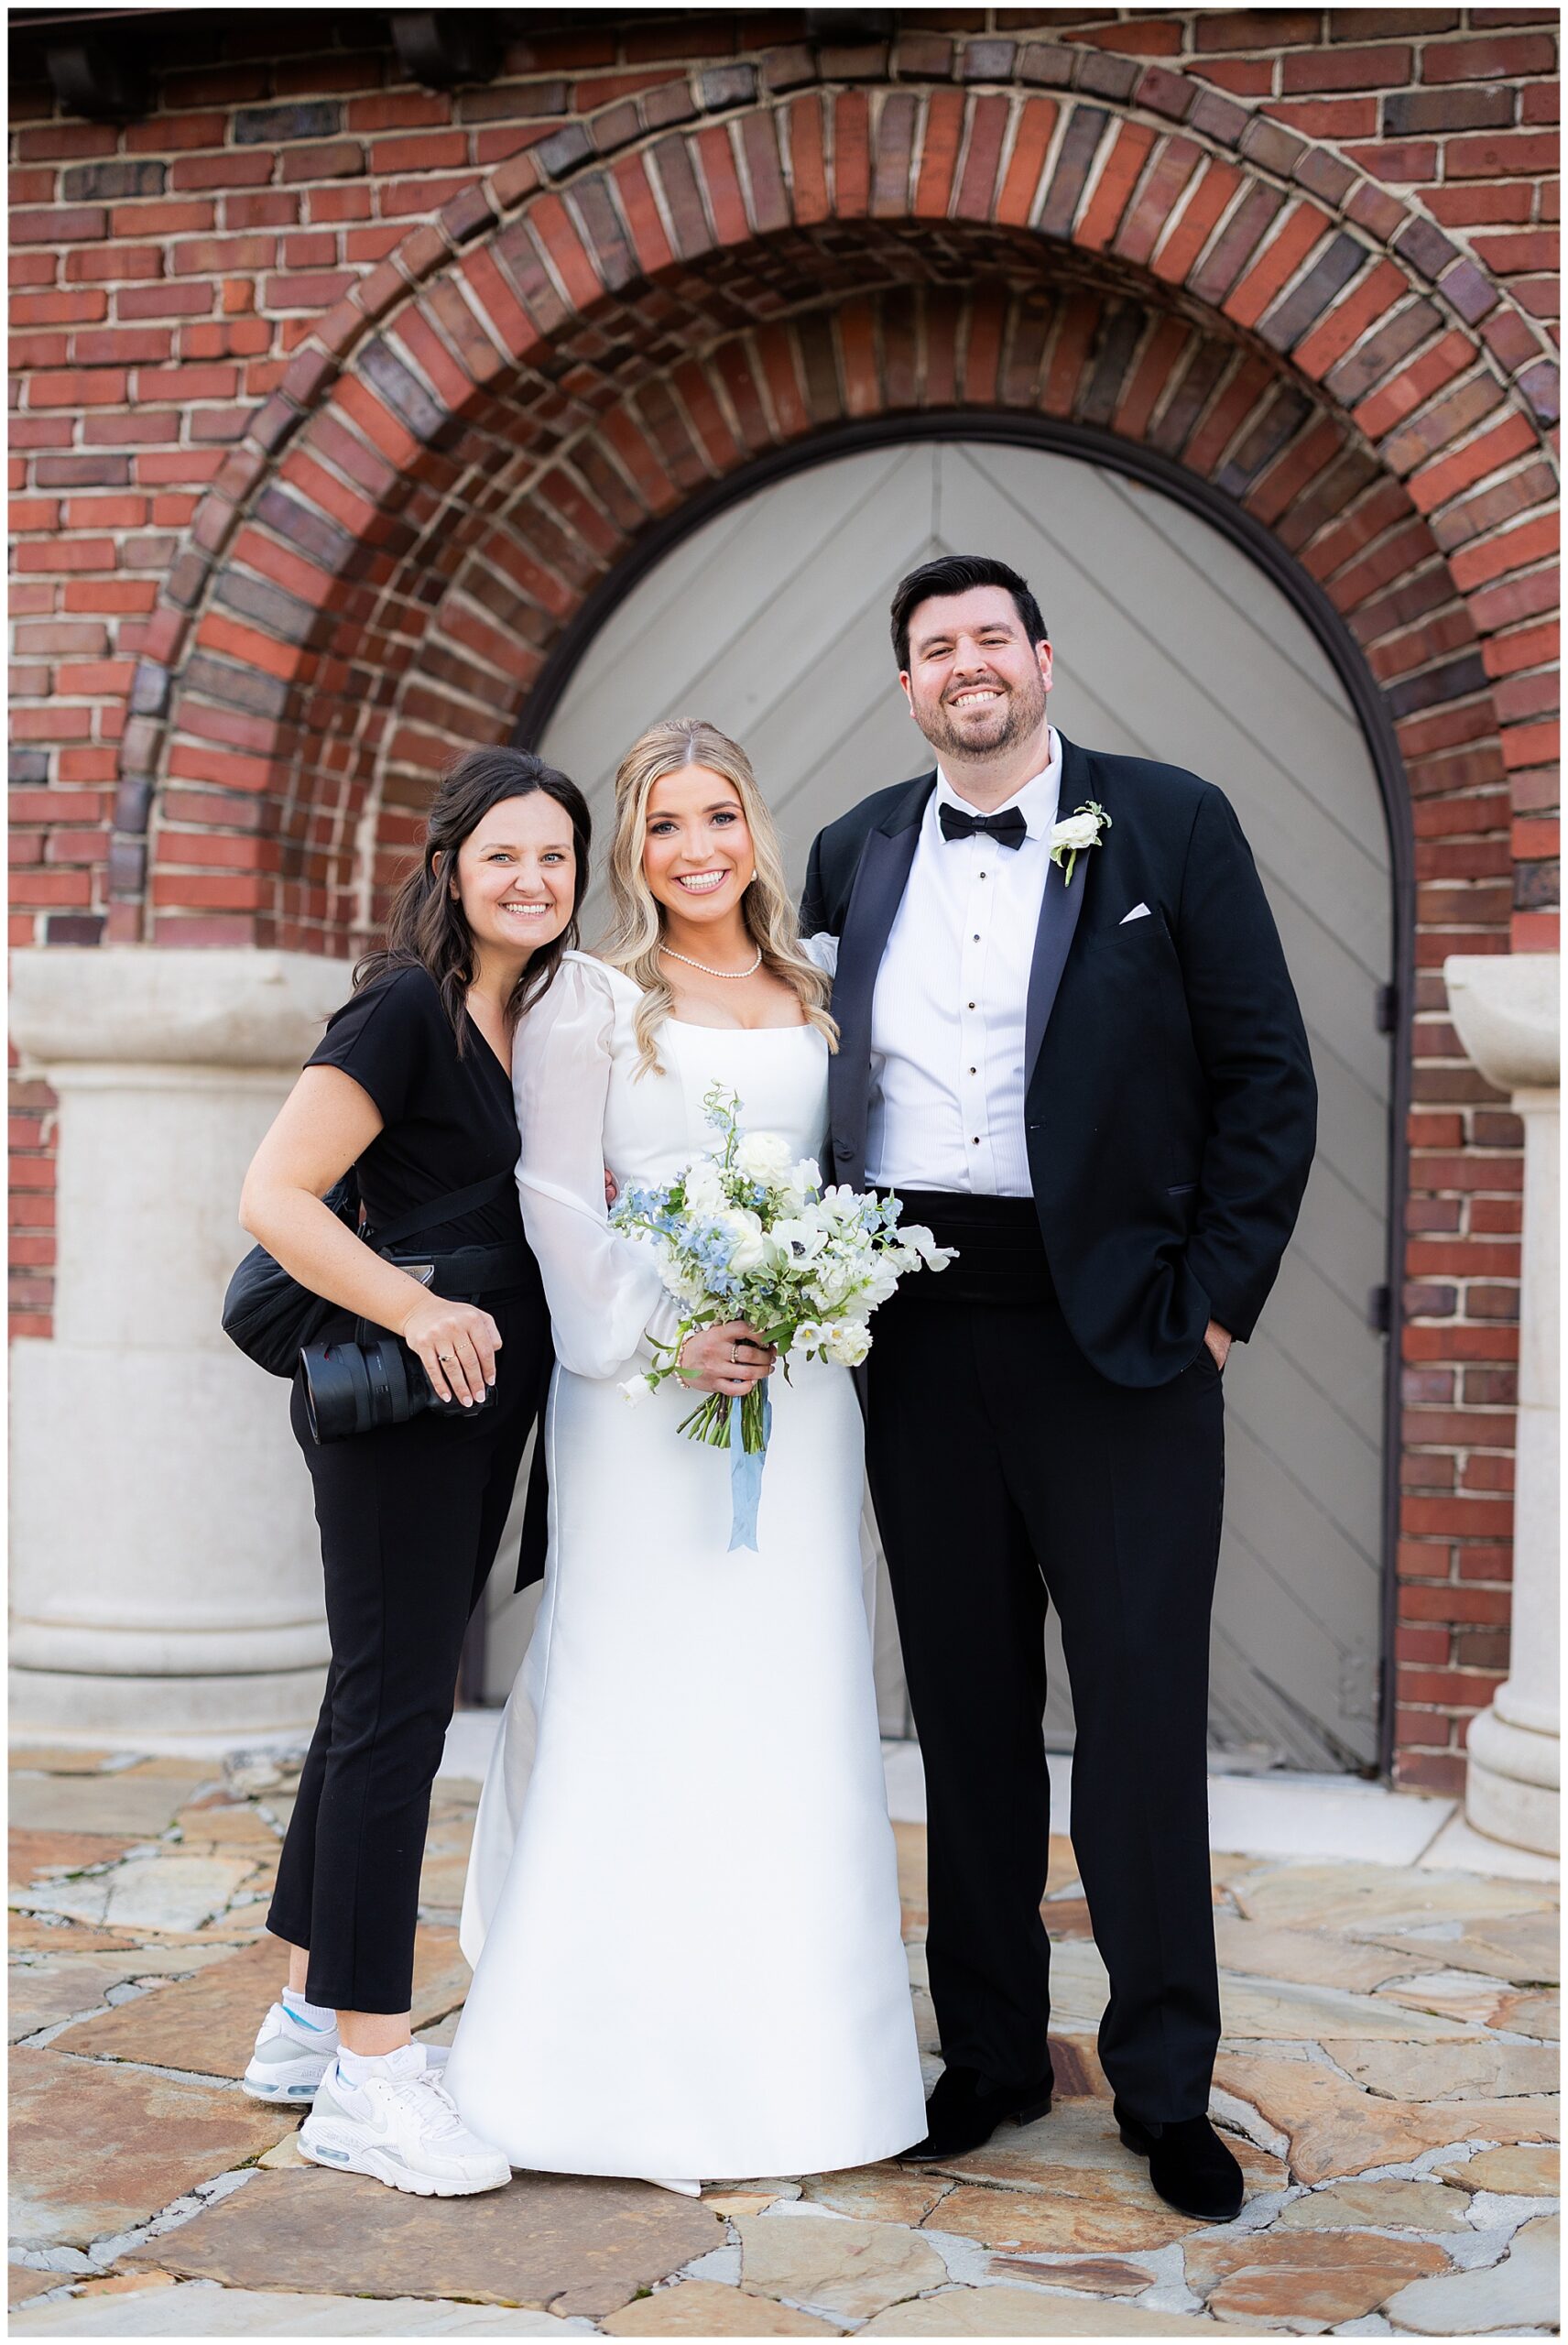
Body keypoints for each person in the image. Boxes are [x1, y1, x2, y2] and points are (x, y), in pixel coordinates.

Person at [800, 553, 1317, 2223]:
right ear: (906, 685)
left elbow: (1268, 1082)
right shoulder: (853, 849)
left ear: (1042, 657)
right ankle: (995, 2059)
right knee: (964, 1719)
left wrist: (1213, 1312)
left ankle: (1167, 2088)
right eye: (934, 647)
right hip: (917, 1335)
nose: (967, 666)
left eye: (990, 639)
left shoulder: (1171, 823)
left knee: (1142, 1724)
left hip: (1125, 1341)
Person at [444, 717, 924, 2191]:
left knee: (788, 1692)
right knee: (631, 1681)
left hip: (801, 1396)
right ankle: (588, 2066)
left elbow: (858, 1176)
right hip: (641, 1396)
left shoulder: (826, 986)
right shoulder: (593, 999)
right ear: (629, 854)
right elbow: (557, 1201)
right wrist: (670, 1339)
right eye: (662, 824)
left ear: (754, 831)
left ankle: (801, 2074)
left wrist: (811, 1295)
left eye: (718, 817)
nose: (695, 848)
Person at [236, 747, 591, 2197]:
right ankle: (375, 2077)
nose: (533, 880)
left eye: (558, 859)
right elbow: (273, 1193)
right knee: (395, 1715)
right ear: (451, 867)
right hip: (402, 1404)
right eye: (505, 855)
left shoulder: (527, 1014)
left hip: (474, 1411)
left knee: (375, 1694)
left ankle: (308, 2017)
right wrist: (420, 1307)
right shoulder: (405, 1003)